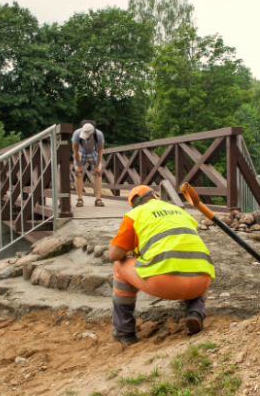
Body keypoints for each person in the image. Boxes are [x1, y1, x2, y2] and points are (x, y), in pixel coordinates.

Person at [108, 186, 214, 344]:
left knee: (119, 266)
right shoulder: (179, 211)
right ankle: (195, 312)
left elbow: (114, 255)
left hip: (167, 283)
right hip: (202, 281)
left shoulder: (135, 215)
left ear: (134, 204)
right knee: (192, 263)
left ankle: (124, 330)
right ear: (154, 195)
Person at [72, 121, 105, 208]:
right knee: (78, 174)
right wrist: (78, 166)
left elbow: (100, 151)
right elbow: (75, 151)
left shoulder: (99, 135)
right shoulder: (77, 133)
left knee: (98, 174)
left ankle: (98, 199)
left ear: (92, 133)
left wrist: (97, 167)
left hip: (93, 152)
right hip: (80, 152)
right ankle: (80, 199)